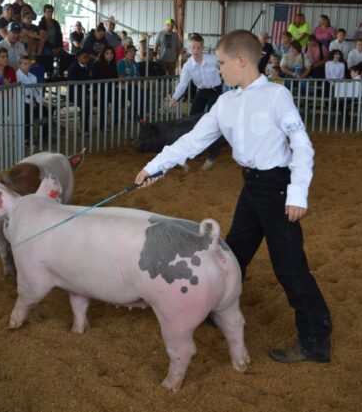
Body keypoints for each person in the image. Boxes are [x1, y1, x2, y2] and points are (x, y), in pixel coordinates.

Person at [135, 29, 332, 364]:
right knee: (233, 254)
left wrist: (297, 193)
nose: (218, 68)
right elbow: (192, 140)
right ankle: (218, 310)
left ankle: (315, 339)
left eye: (222, 62)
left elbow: (301, 144)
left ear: (241, 61)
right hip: (252, 186)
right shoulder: (225, 103)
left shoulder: (276, 96)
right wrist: (155, 166)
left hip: (278, 189)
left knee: (289, 268)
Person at [169, 33, 222, 115]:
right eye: (193, 48)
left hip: (215, 90)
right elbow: (183, 84)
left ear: (203, 48)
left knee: (213, 114)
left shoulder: (213, 59)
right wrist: (174, 98)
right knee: (193, 115)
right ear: (189, 49)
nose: (196, 50)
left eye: (199, 48)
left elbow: (225, 64)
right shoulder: (187, 66)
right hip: (201, 91)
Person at [16, 55, 48, 142]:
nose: (28, 66)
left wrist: (42, 101)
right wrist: (29, 101)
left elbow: (36, 92)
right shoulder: (17, 77)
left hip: (32, 99)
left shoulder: (33, 77)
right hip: (21, 100)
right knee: (27, 111)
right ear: (19, 65)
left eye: (29, 63)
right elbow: (18, 93)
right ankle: (27, 137)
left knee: (46, 109)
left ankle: (44, 135)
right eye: (25, 64)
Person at [67, 49, 93, 135]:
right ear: (78, 58)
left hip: (86, 92)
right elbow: (73, 84)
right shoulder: (73, 68)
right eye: (84, 57)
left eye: (87, 57)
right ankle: (85, 128)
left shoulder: (89, 65)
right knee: (85, 104)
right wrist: (86, 94)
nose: (86, 59)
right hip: (75, 93)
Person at [92, 44, 118, 129]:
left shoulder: (113, 64)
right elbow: (97, 78)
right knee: (103, 107)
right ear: (103, 54)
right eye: (107, 53)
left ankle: (115, 123)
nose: (109, 55)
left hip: (111, 89)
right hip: (100, 90)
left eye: (111, 53)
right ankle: (102, 125)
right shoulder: (97, 64)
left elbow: (115, 77)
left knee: (116, 104)